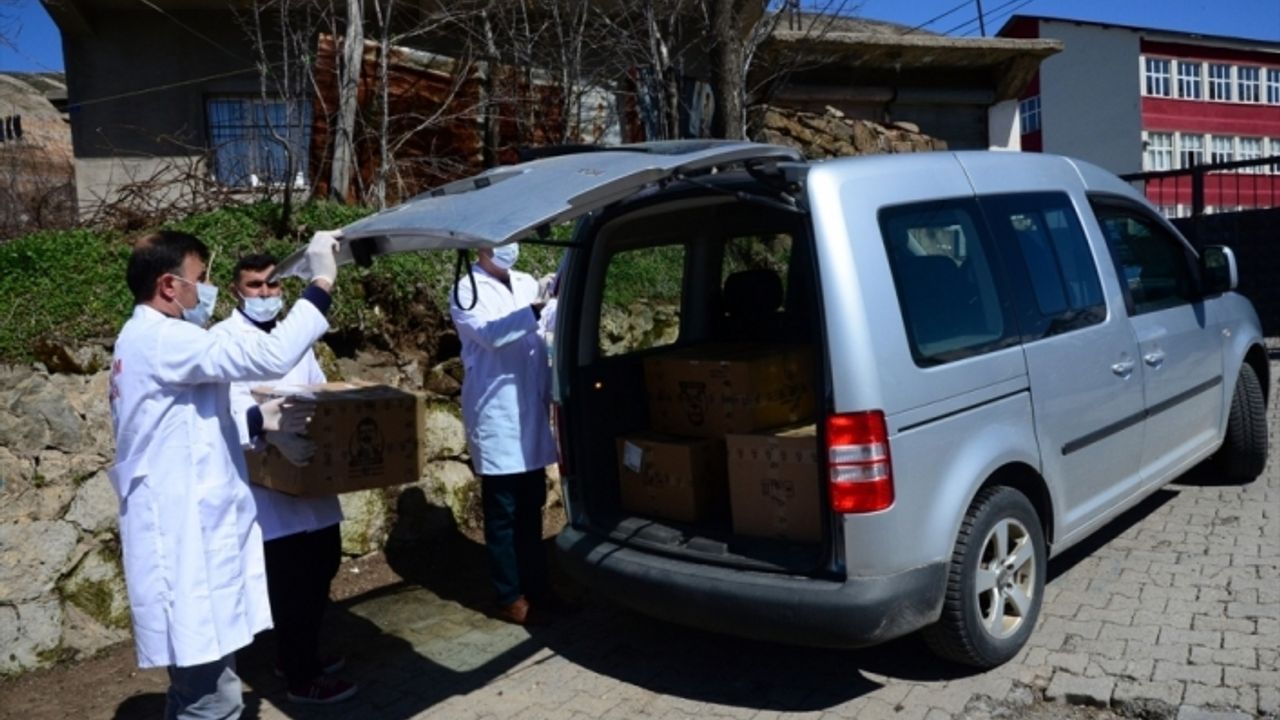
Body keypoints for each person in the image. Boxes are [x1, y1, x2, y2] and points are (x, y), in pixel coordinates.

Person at [108, 229, 340, 720]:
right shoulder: (166, 338)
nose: (205, 290)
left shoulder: (142, 338)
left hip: (187, 532)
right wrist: (321, 281)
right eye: (200, 279)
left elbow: (192, 422)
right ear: (169, 285)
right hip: (185, 542)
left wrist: (259, 419)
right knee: (213, 701)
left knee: (196, 690)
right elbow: (273, 356)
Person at [209, 253, 355, 705]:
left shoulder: (296, 338)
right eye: (255, 285)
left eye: (272, 284)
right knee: (291, 583)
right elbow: (228, 410)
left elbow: (317, 389)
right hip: (267, 485)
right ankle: (300, 676)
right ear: (236, 291)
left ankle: (299, 654)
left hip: (310, 474)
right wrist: (271, 436)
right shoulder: (222, 341)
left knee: (325, 562)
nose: (266, 293)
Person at [450, 243, 558, 625]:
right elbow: (490, 335)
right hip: (496, 412)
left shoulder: (527, 282)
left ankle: (539, 588)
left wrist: (555, 297)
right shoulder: (466, 289)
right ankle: (508, 595)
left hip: (530, 410)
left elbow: (546, 328)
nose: (508, 247)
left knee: (531, 508)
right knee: (503, 513)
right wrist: (534, 310)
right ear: (479, 246)